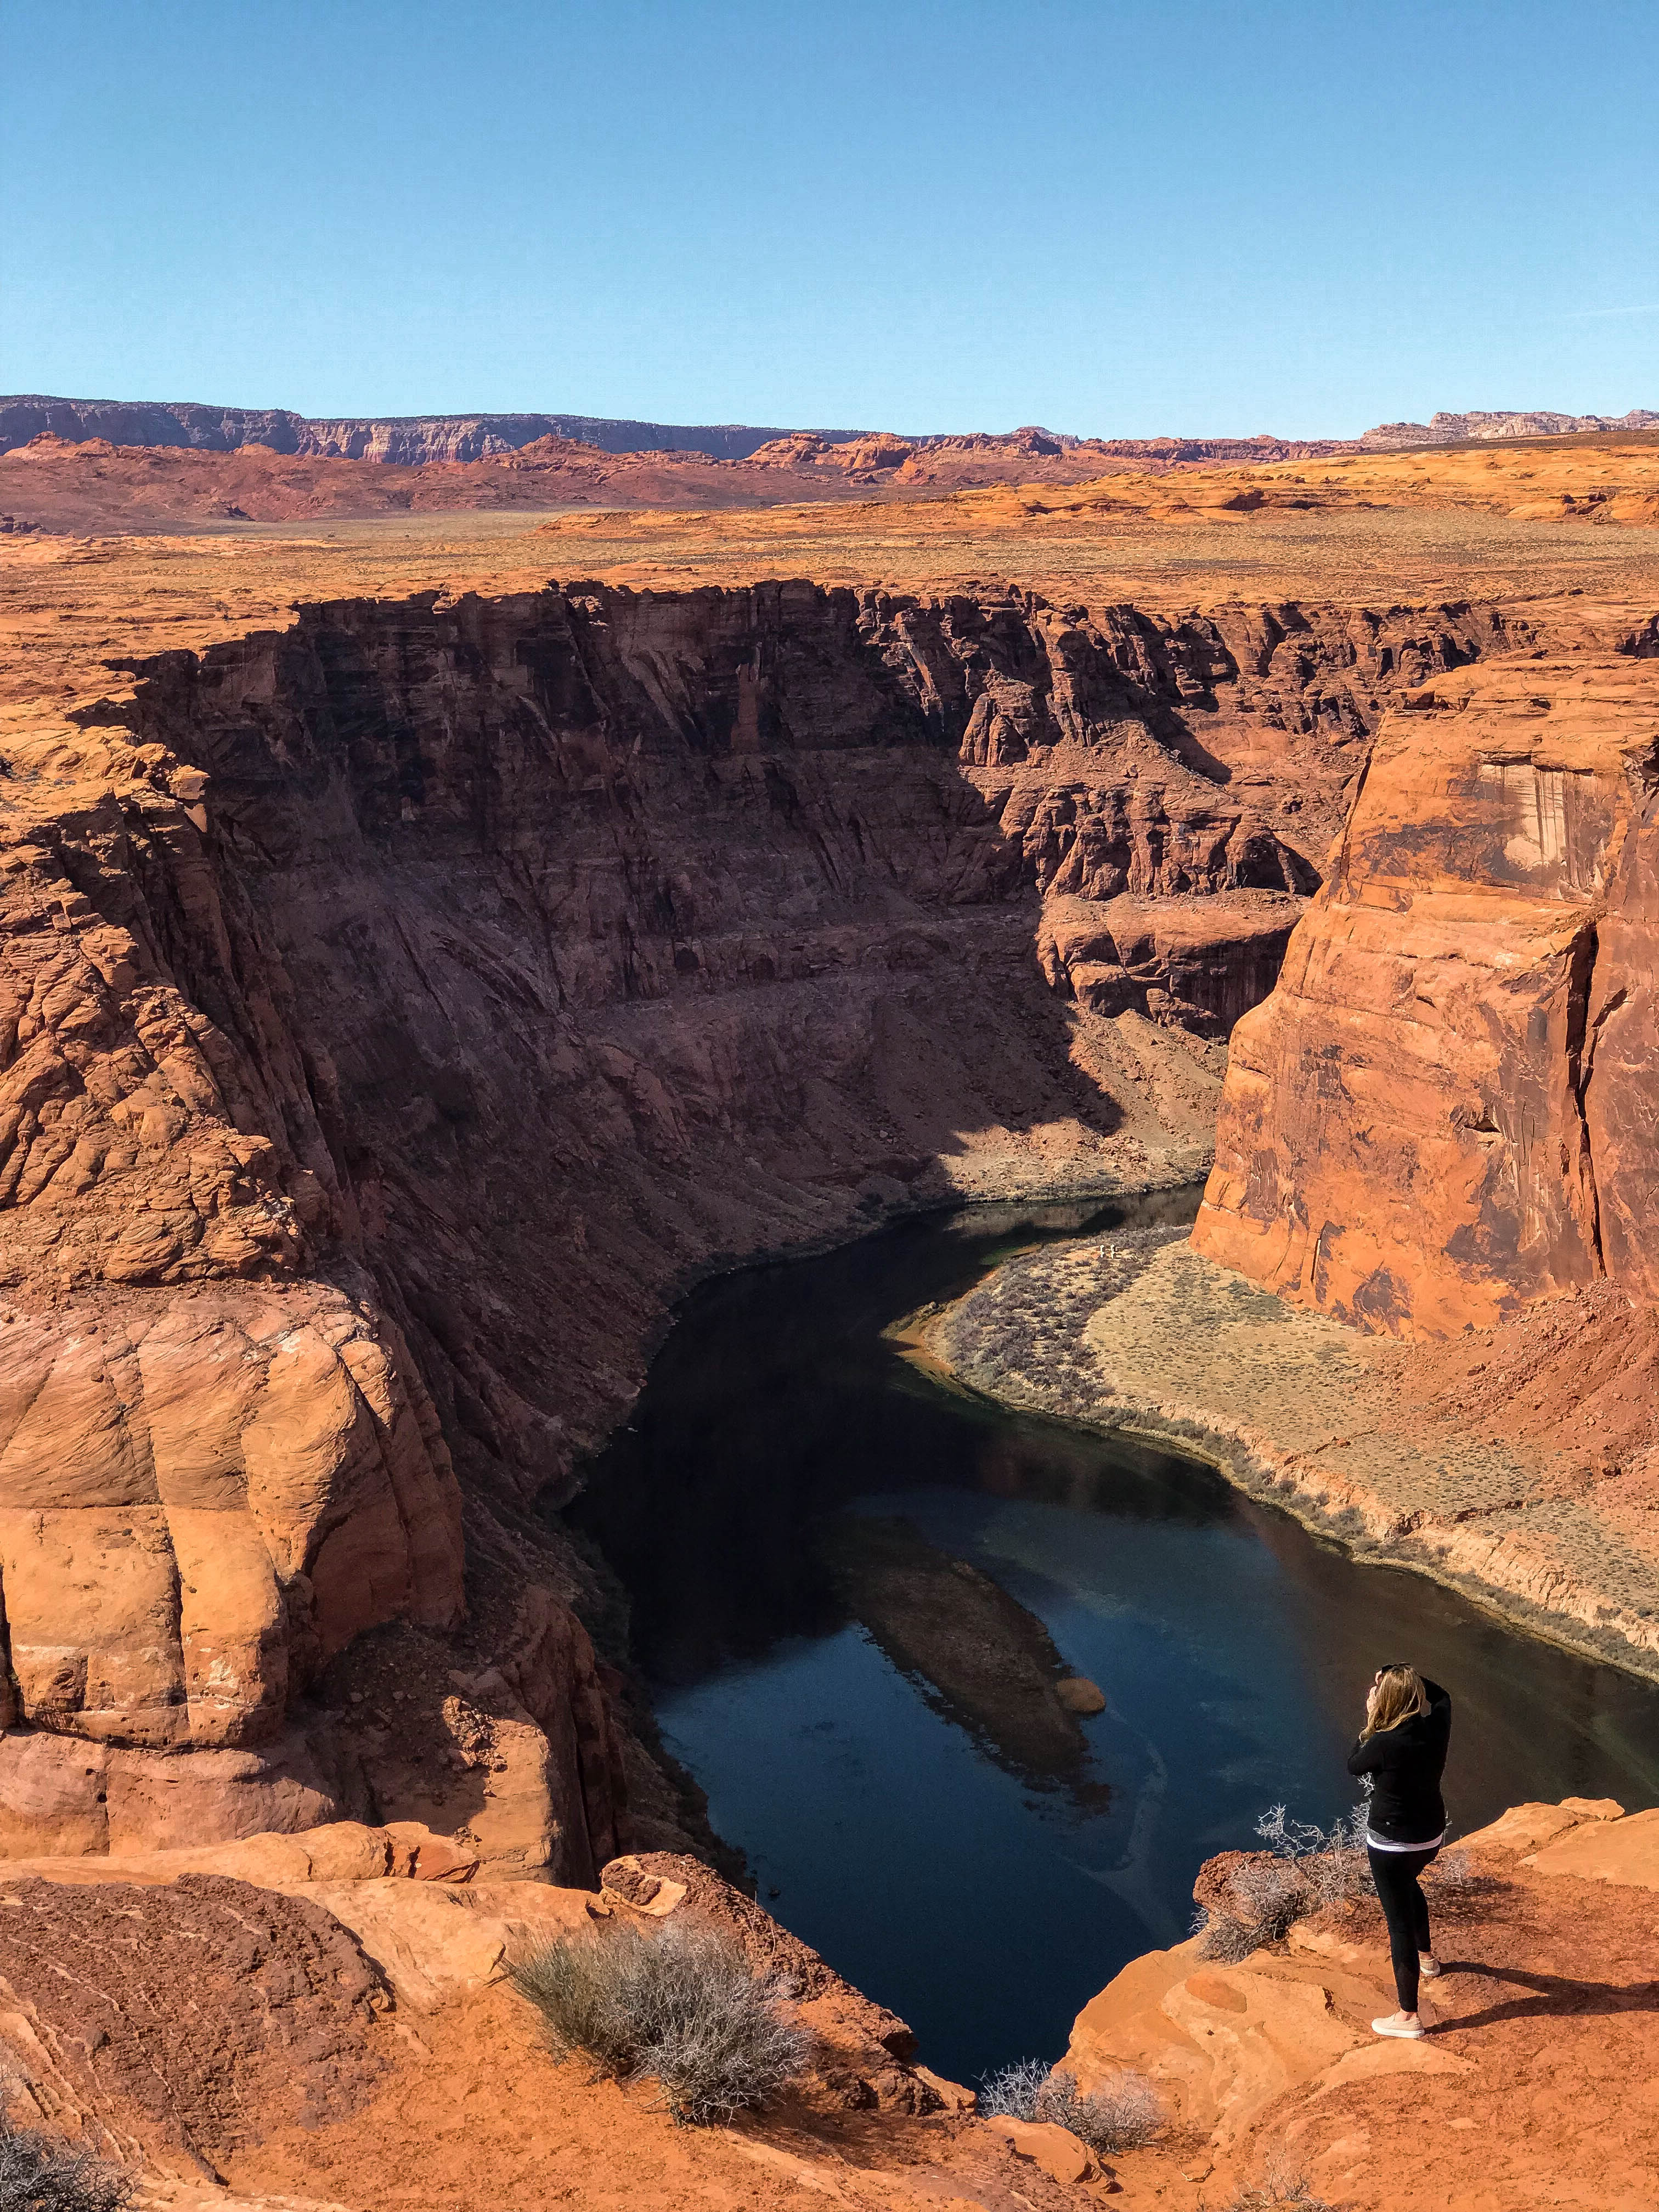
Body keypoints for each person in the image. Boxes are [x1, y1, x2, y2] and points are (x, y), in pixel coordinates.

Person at [1346, 1663, 1452, 2040]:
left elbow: (1354, 1765)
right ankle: (1428, 1959)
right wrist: (1407, 1680)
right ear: (1416, 1697)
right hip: (1430, 1838)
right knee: (1410, 1886)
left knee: (1399, 1925)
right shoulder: (1436, 1726)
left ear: (1384, 1700)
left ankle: (1409, 2017)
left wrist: (1373, 1714)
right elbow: (1443, 1697)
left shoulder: (1384, 1742)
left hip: (1391, 1843)